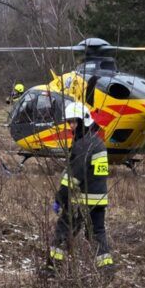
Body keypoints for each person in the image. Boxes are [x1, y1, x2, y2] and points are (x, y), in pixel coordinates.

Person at [43, 101, 113, 276]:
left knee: (63, 229)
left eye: (74, 122)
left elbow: (73, 177)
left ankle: (52, 269)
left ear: (84, 121)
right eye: (69, 122)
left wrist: (60, 198)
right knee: (97, 233)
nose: (71, 126)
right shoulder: (98, 143)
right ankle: (107, 269)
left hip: (82, 199)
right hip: (100, 199)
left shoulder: (83, 145)